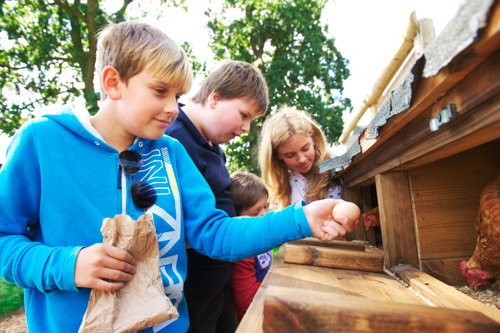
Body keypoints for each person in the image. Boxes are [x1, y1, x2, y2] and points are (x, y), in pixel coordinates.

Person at [0, 21, 356, 333]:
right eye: (160, 91)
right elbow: (5, 241)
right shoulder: (42, 142)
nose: (173, 108)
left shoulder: (171, 153)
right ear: (113, 82)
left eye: (178, 96)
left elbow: (216, 234)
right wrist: (68, 264)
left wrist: (303, 218)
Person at [165, 59, 268, 333]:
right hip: (192, 288)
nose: (246, 128)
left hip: (220, 281)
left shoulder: (213, 146)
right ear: (215, 98)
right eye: (244, 115)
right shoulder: (174, 140)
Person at [258, 107, 343, 211]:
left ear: (313, 138)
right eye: (290, 155)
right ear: (277, 154)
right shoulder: (285, 184)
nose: (301, 159)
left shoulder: (336, 166)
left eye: (306, 148)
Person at [228, 171, 271, 321]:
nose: (265, 214)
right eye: (256, 212)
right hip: (252, 317)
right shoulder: (243, 253)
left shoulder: (262, 236)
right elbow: (247, 300)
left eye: (266, 206)